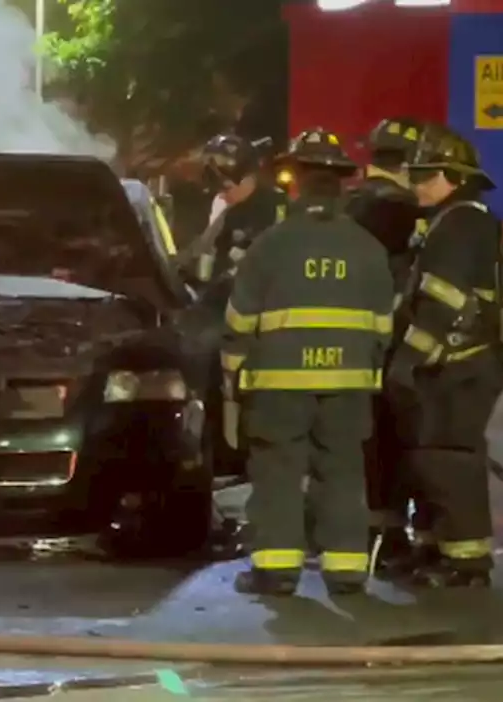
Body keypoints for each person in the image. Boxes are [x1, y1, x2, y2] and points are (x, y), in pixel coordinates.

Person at [223, 128, 394, 597]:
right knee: (342, 469)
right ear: (341, 183)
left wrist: (233, 369)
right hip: (350, 383)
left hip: (278, 384)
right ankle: (346, 571)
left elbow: (239, 319)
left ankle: (276, 570)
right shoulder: (368, 247)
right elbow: (384, 326)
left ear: (294, 181)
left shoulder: (270, 245)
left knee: (278, 469)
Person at [386, 123, 503, 588]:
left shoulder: (460, 223)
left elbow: (443, 299)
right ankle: (440, 548)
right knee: (432, 457)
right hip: (458, 363)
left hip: (462, 363)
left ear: (454, 177)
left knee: (450, 458)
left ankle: (469, 563)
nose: (416, 183)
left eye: (426, 174)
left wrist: (407, 361)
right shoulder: (456, 219)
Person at [343, 117, 431, 570]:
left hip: (341, 343)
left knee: (355, 439)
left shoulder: (347, 204)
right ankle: (391, 533)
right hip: (392, 343)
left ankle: (361, 531)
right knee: (397, 439)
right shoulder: (407, 211)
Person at [177, 135, 290, 285]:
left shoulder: (279, 207)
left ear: (249, 176)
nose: (220, 186)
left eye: (223, 171)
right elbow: (200, 253)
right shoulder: (223, 210)